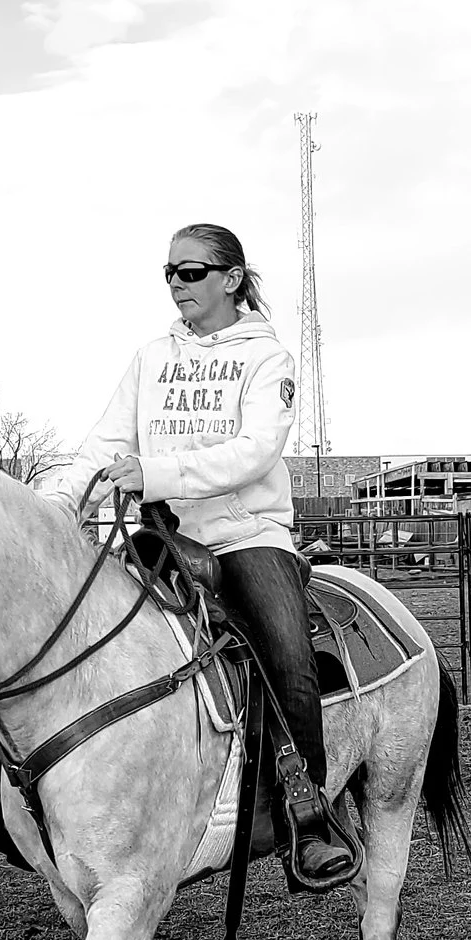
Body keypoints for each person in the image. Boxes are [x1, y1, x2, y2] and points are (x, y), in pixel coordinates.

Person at [46, 223, 356, 884]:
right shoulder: (152, 355)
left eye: (190, 272)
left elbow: (254, 452)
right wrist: (55, 506)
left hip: (247, 536)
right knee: (62, 628)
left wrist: (155, 474)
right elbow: (105, 440)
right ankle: (3, 795)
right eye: (169, 273)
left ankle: (309, 816)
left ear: (232, 278)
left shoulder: (268, 359)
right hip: (167, 536)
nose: (176, 285)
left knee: (287, 654)